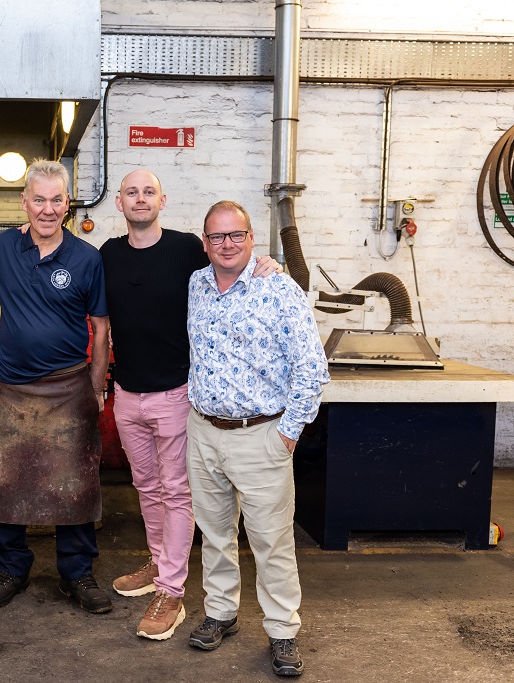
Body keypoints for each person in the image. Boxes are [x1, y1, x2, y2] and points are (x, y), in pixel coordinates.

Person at [101, 170, 279, 641]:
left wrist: (268, 265)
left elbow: (233, 256)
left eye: (148, 192)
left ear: (163, 199)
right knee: (146, 486)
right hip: (127, 394)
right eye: (131, 192)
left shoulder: (186, 249)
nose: (140, 199)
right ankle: (160, 563)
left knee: (176, 491)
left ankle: (172, 591)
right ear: (118, 202)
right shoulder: (109, 254)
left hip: (177, 393)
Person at [185, 200, 329, 677]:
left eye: (235, 236)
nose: (226, 245)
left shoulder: (278, 288)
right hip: (204, 432)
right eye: (216, 237)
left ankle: (283, 631)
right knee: (215, 534)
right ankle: (221, 614)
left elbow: (312, 368)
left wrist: (287, 434)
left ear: (252, 238)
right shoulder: (197, 284)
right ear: (204, 242)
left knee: (271, 540)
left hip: (261, 434)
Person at [0, 160, 112, 614]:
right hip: (10, 391)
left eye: (56, 200)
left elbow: (102, 328)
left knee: (76, 487)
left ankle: (78, 574)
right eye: (39, 199)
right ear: (24, 203)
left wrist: (95, 386)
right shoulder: (1, 249)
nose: (47, 209)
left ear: (67, 205)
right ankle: (11, 569)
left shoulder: (87, 258)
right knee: (4, 483)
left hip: (69, 388)